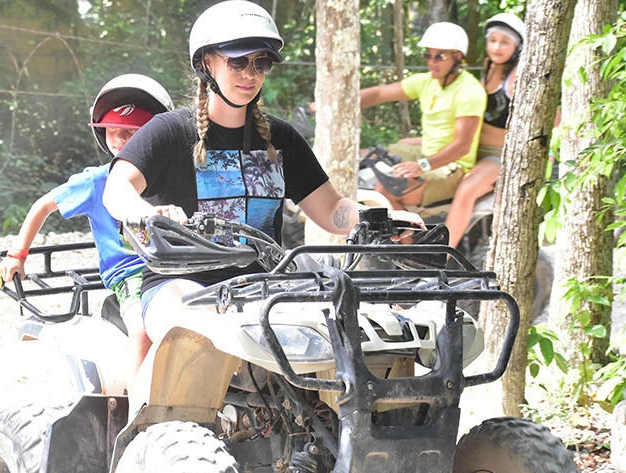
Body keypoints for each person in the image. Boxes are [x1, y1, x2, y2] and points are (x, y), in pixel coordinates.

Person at [102, 0, 422, 344]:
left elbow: (331, 210)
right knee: (200, 334)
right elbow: (117, 189)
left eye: (261, 62)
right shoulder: (168, 131)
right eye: (237, 61)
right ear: (207, 63)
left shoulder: (281, 137)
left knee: (352, 340)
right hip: (180, 284)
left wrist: (381, 219)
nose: (250, 74)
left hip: (268, 289)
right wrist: (150, 214)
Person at [0, 73, 174, 390]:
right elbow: (44, 205)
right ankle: (142, 416)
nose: (119, 140)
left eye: (132, 133)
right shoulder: (97, 181)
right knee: (143, 329)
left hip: (179, 266)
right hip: (133, 273)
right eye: (111, 131)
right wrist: (17, 254)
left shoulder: (179, 177)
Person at [349, 22, 487, 211]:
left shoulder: (469, 91)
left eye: (440, 56)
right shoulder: (427, 81)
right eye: (428, 55)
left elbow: (462, 147)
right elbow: (379, 94)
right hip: (426, 154)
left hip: (453, 166)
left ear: (458, 57)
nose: (432, 62)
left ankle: (406, 241)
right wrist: (332, 104)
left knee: (385, 191)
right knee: (363, 157)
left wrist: (422, 165)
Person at [444, 13, 523, 248]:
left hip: (498, 156)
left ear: (517, 46)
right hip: (472, 149)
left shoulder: (520, 74)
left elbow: (555, 118)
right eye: (493, 40)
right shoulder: (489, 67)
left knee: (467, 189)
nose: (496, 47)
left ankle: (439, 258)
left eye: (505, 42)